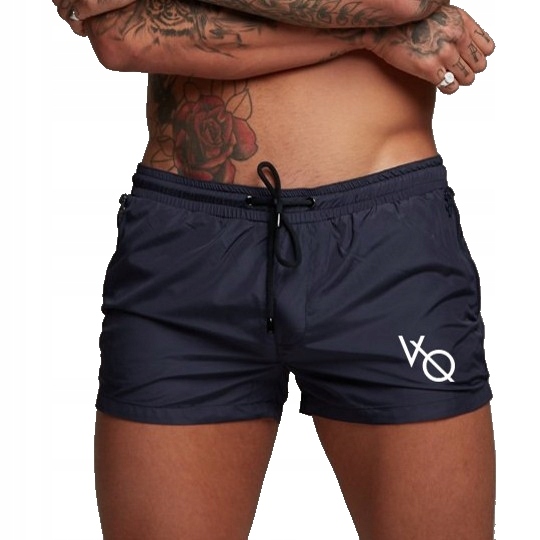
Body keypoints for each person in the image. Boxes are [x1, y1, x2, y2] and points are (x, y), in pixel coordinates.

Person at [53, 0, 496, 538]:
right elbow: (121, 37)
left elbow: (399, 2)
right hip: (186, 253)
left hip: (383, 250)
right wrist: (367, 36)